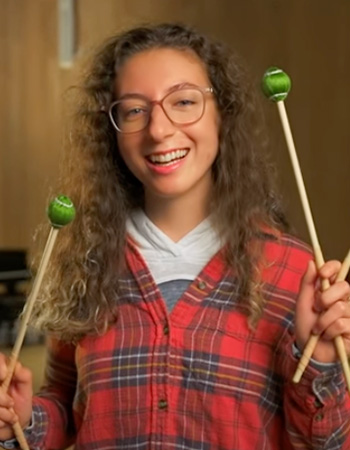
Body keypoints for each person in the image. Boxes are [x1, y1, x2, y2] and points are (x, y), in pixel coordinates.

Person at [0, 22, 350, 450]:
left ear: (223, 112)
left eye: (184, 102)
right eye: (133, 110)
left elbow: (325, 443)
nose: (159, 130)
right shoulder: (82, 261)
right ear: (111, 131)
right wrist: (24, 420)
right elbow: (66, 406)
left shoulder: (297, 274)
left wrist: (323, 363)